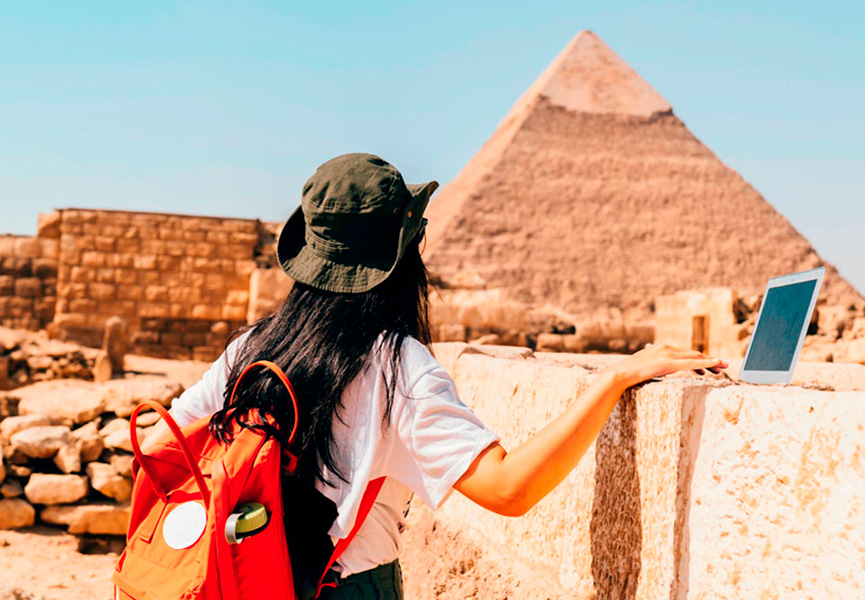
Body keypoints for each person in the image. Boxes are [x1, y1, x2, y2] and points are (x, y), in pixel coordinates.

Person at [160, 153, 726, 599]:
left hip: (237, 576)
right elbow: (509, 490)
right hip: (345, 588)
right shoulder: (397, 365)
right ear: (403, 255)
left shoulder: (251, 347)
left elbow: (164, 446)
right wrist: (613, 381)